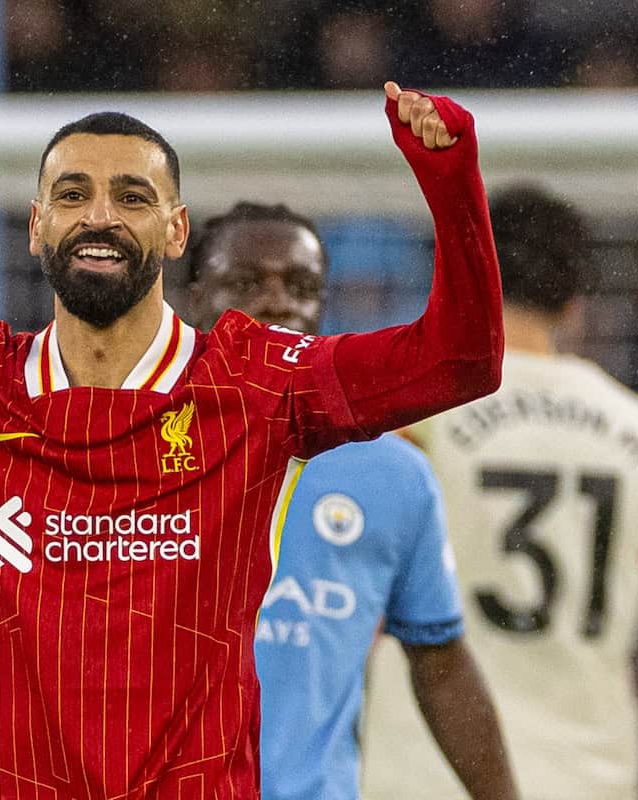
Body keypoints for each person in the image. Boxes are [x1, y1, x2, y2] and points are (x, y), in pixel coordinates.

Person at [0, 75, 503, 798]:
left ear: (177, 230)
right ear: (37, 227)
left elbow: (461, 360)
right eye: (73, 195)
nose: (101, 216)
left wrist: (451, 180)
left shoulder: (257, 385)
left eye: (133, 197)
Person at [360, 184, 638, 800]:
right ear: (578, 300)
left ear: (457, 277)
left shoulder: (412, 419)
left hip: (420, 768)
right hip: (586, 773)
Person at [187, 202, 517, 800]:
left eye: (302, 287)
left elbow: (440, 663)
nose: (278, 302)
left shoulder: (391, 473)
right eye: (246, 284)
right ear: (190, 297)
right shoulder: (122, 448)